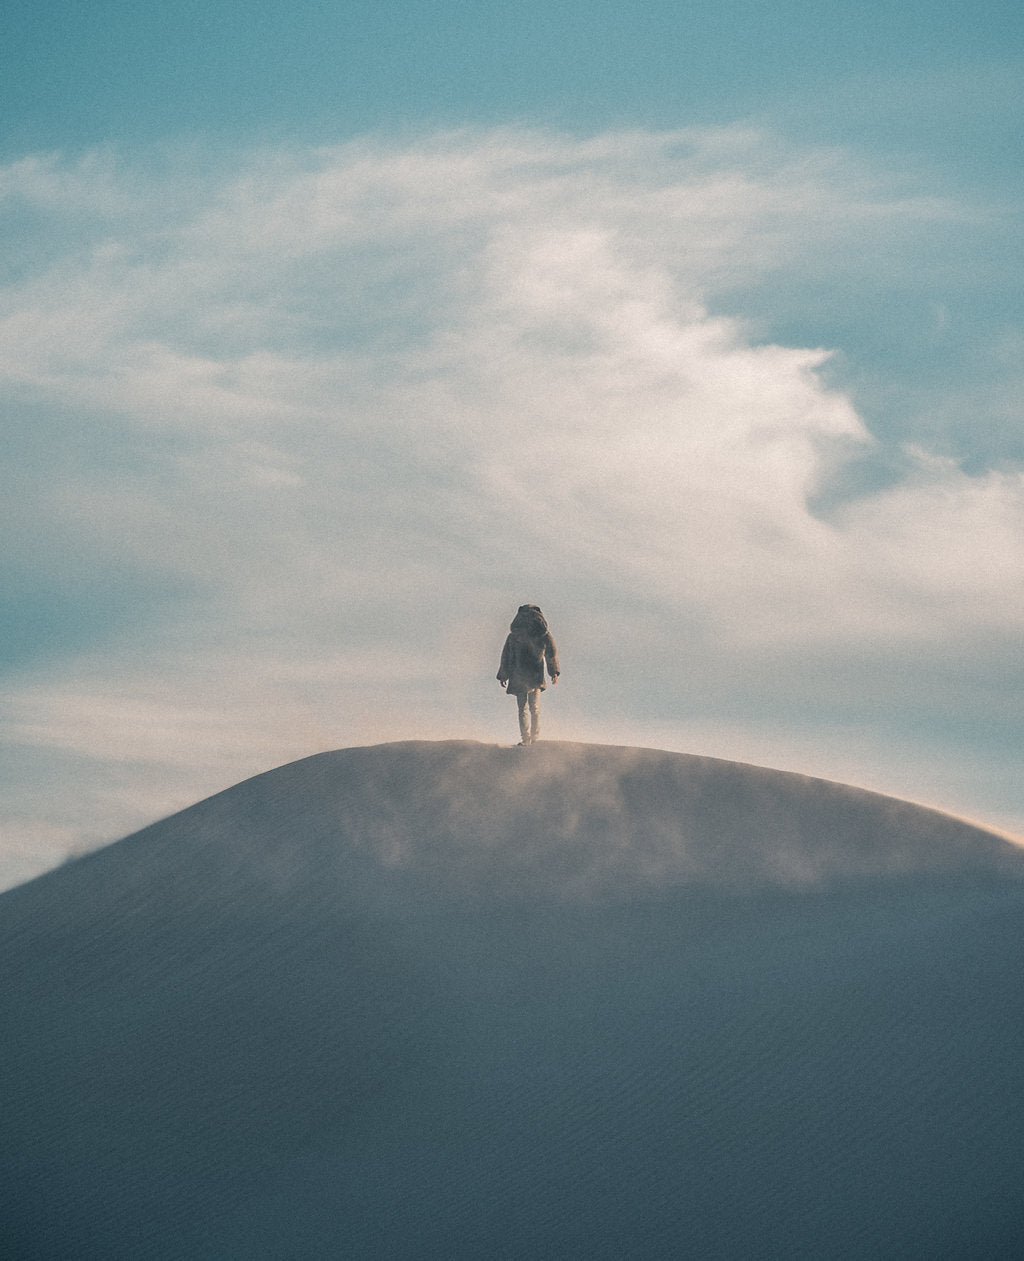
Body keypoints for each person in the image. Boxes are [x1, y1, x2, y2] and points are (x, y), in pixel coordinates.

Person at [496, 604, 560, 745]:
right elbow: (551, 654)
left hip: (520, 675)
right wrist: (554, 672)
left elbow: (506, 657)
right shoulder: (543, 634)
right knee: (533, 708)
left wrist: (503, 675)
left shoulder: (514, 636)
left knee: (524, 709)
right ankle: (532, 739)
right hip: (533, 675)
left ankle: (527, 739)